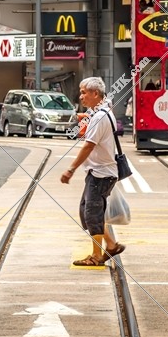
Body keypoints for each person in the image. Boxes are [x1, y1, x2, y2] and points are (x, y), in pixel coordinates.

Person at [61, 76, 124, 267]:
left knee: (93, 214)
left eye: (83, 92)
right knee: (86, 212)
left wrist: (71, 169)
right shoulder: (102, 112)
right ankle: (111, 245)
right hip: (97, 173)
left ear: (95, 94)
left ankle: (97, 256)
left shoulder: (100, 117)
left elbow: (88, 146)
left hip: (101, 174)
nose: (81, 97)